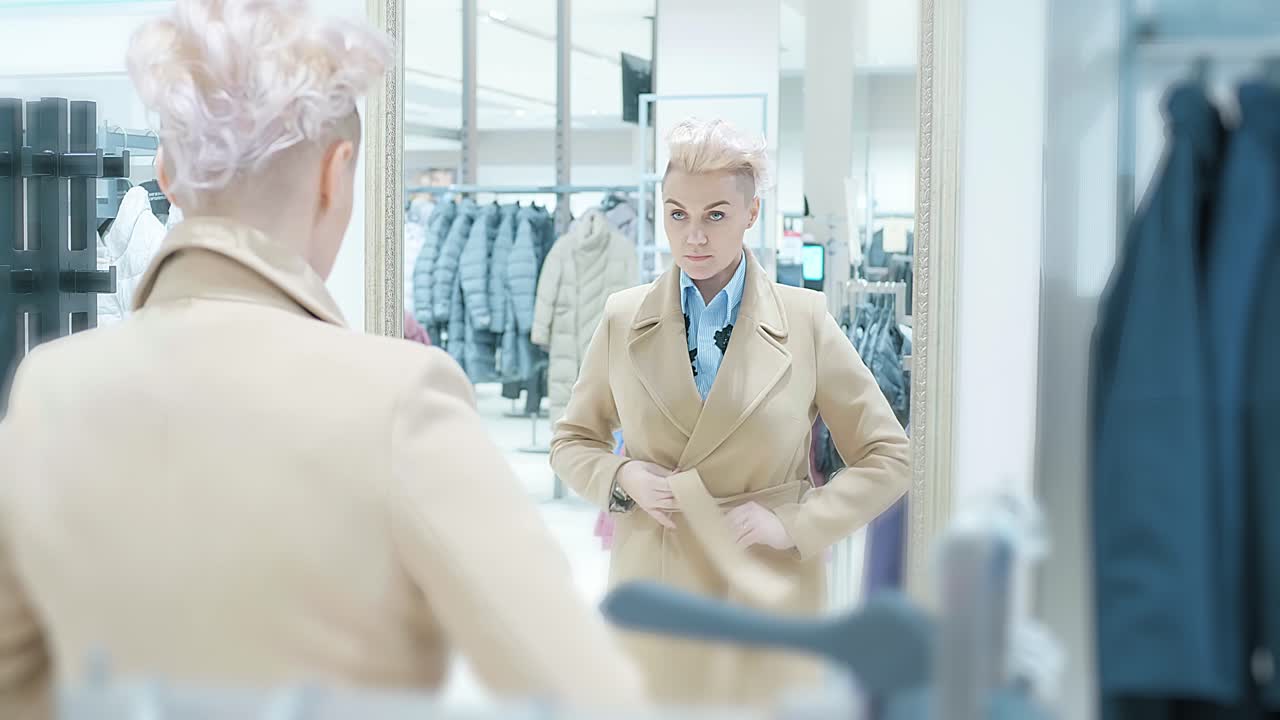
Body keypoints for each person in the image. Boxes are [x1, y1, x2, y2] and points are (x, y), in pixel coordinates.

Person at [0, 1, 643, 717]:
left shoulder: (49, 393)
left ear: (167, 176)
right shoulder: (402, 399)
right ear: (336, 175)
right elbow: (583, 691)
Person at [549, 118, 911, 704]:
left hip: (766, 585)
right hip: (657, 586)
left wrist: (794, 523)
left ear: (751, 213)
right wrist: (622, 476)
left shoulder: (805, 321)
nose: (693, 236)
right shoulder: (623, 317)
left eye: (715, 214)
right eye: (676, 214)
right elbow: (572, 442)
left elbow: (888, 456)